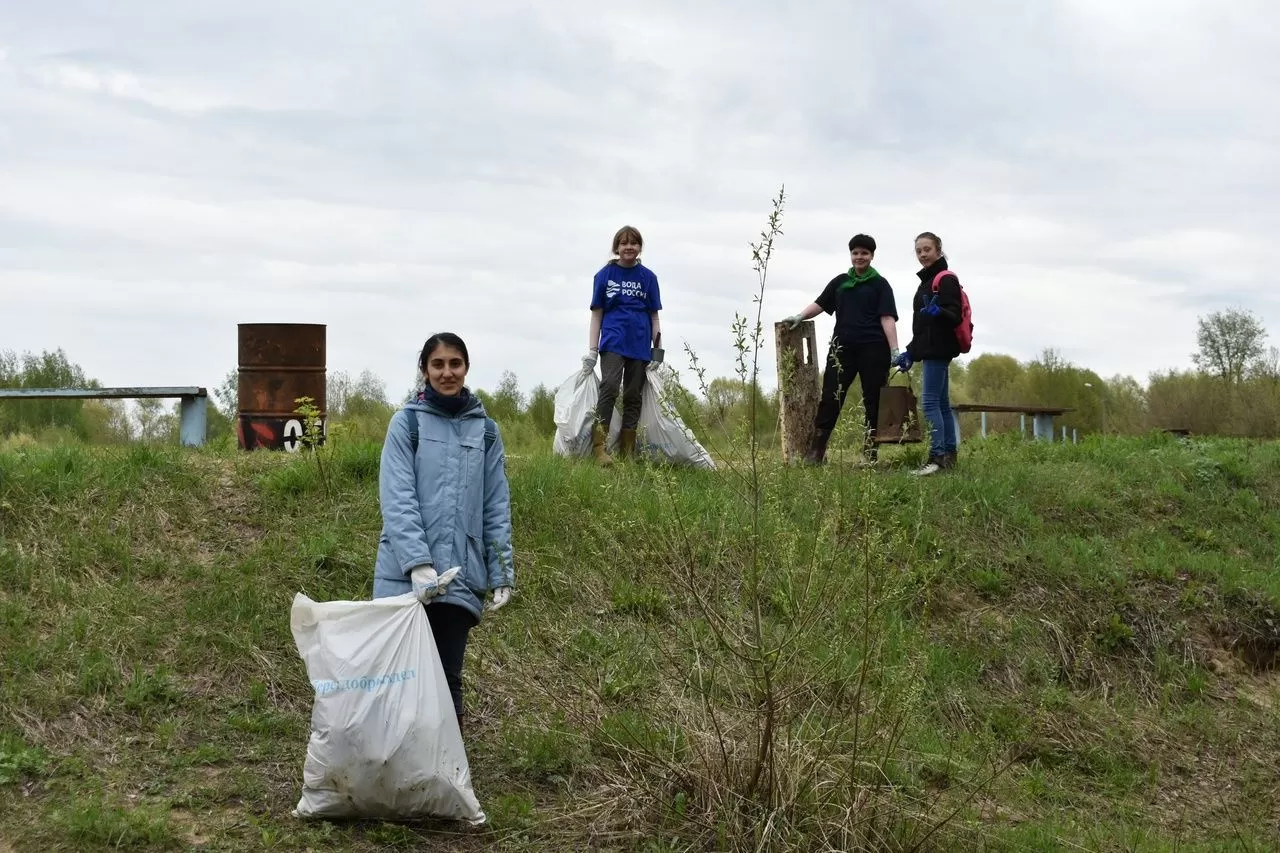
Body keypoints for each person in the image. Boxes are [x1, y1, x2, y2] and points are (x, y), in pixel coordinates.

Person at [373, 332, 515, 737]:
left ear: (466, 368)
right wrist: (417, 565)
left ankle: (447, 769)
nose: (447, 372)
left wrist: (501, 570)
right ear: (424, 370)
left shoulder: (486, 432)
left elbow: (495, 505)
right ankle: (392, 766)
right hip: (403, 577)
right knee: (399, 679)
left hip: (459, 576)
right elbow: (398, 498)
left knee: (447, 680)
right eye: (438, 364)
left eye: (455, 363)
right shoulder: (407, 424)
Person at [783, 233, 900, 465]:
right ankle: (816, 453)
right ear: (850, 255)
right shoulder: (840, 282)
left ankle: (870, 454)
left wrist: (894, 349)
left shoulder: (880, 284)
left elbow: (887, 317)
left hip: (874, 351)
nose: (859, 257)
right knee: (831, 397)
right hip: (842, 350)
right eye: (855, 253)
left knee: (874, 400)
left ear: (872, 256)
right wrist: (800, 316)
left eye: (864, 253)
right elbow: (821, 303)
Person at [584, 225, 662, 466]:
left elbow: (654, 317)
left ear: (640, 247)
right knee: (609, 387)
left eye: (634, 243)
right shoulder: (604, 276)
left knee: (633, 395)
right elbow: (597, 314)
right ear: (616, 247)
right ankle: (599, 449)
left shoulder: (649, 278)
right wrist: (592, 350)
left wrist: (658, 352)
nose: (629, 247)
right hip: (613, 342)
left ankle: (627, 453)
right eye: (624, 243)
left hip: (640, 344)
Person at [894, 232, 963, 476]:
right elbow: (923, 328)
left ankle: (936, 457)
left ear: (938, 250)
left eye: (927, 249)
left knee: (930, 402)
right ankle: (948, 456)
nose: (923, 254)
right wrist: (911, 352)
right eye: (919, 251)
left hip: (939, 349)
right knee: (942, 404)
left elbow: (955, 315)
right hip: (932, 348)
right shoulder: (927, 280)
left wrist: (940, 312)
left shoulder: (946, 279)